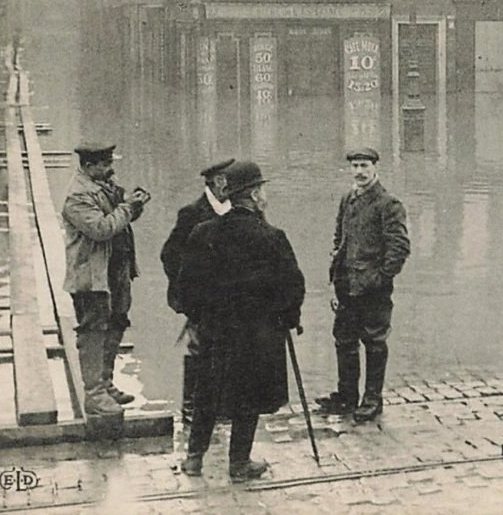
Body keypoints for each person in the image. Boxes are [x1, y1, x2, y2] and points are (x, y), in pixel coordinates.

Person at [176, 160, 305, 482]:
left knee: (206, 393)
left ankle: (194, 460)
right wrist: (287, 318)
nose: (265, 195)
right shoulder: (272, 237)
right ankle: (238, 464)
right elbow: (292, 287)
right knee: (247, 399)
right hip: (256, 336)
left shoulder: (203, 232)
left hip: (213, 332)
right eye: (262, 189)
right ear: (253, 195)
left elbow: (185, 286)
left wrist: (199, 317)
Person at [316, 147, 410, 423]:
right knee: (344, 340)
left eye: (364, 166)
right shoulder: (348, 199)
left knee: (374, 341)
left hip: (373, 288)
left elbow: (400, 248)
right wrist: (336, 279)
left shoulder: (387, 203)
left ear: (375, 168)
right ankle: (346, 397)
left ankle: (372, 399)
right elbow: (339, 239)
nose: (359, 171)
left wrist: (380, 278)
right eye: (355, 166)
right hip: (346, 284)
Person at [61, 142, 151, 416]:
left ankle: (106, 383)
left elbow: (121, 219)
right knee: (93, 331)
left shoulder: (104, 186)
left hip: (116, 270)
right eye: (104, 164)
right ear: (88, 166)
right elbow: (101, 229)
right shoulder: (77, 196)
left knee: (117, 322)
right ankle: (95, 395)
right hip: (92, 276)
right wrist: (126, 207)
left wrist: (135, 206)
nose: (110, 169)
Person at [160, 158, 234, 423]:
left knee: (227, 348)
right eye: (229, 178)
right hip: (202, 299)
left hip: (231, 299)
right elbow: (170, 255)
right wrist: (187, 294)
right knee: (199, 349)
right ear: (218, 182)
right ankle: (191, 408)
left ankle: (222, 406)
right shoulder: (191, 213)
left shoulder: (238, 209)